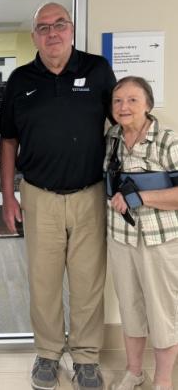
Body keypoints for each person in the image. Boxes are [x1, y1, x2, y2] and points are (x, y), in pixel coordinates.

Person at [0, 2, 116, 390]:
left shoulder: (97, 70)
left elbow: (120, 123)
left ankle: (86, 358)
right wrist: (9, 196)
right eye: (44, 27)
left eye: (59, 25)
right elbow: (8, 140)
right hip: (39, 196)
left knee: (88, 281)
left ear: (71, 29)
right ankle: (48, 353)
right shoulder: (20, 80)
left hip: (89, 194)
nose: (52, 33)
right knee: (44, 282)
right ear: (34, 36)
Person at [105, 76, 178, 390]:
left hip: (158, 240)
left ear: (148, 104)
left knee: (162, 312)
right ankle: (134, 372)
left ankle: (162, 380)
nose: (124, 107)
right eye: (118, 101)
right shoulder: (113, 138)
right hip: (121, 238)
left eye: (132, 100)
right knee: (130, 308)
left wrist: (141, 197)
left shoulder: (167, 141)